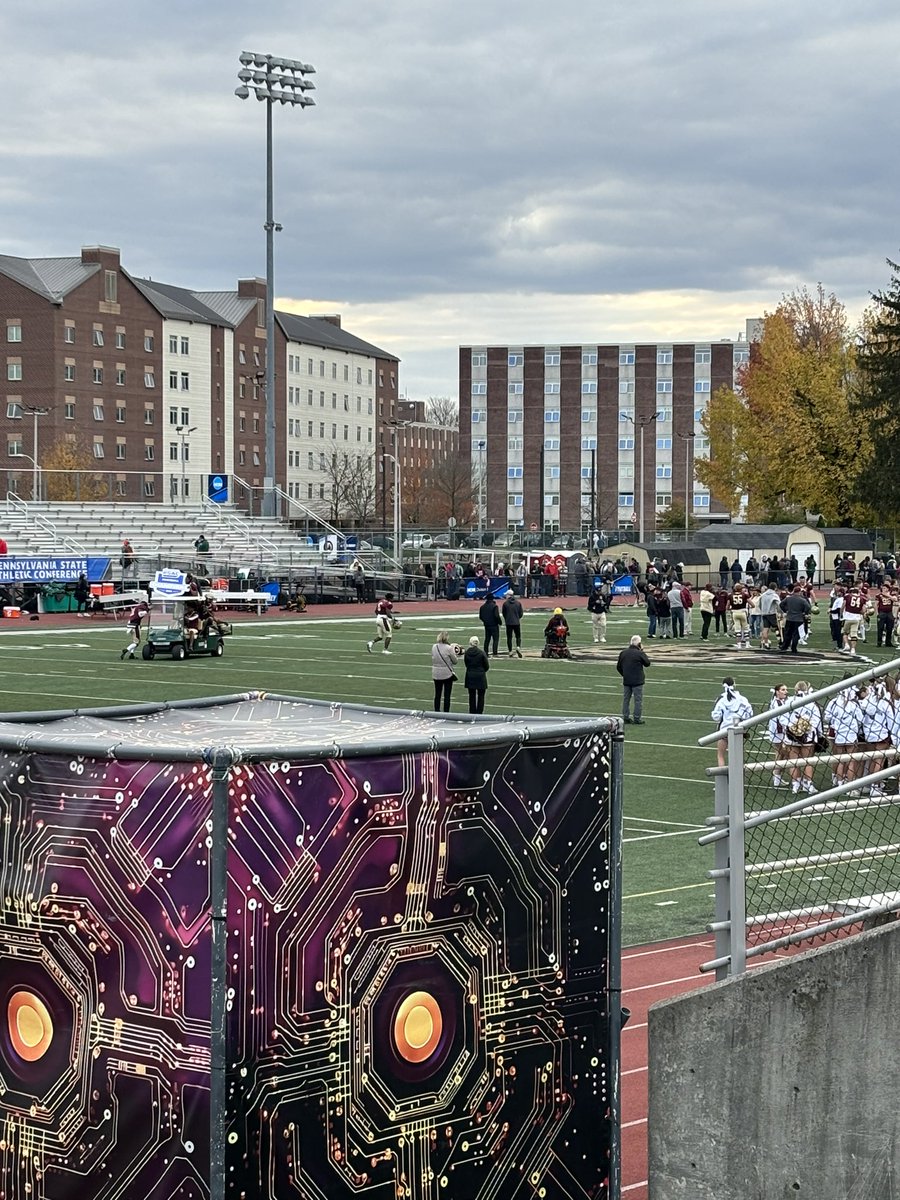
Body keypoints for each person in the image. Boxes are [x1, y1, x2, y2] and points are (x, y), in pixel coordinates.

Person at [711, 677, 754, 767]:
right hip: (738, 729)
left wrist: (725, 717)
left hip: (723, 731)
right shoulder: (742, 698)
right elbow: (749, 713)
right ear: (734, 685)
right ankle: (738, 777)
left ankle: (722, 778)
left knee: (720, 756)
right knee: (738, 756)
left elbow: (716, 716)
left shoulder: (721, 699)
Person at [616, 634, 651, 725]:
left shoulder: (623, 653)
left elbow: (618, 667)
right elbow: (647, 663)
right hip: (637, 681)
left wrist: (625, 675)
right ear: (639, 644)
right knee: (638, 700)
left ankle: (626, 717)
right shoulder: (639, 653)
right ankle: (637, 718)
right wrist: (642, 651)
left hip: (627, 680)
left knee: (626, 699)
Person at [766, 683, 790, 787]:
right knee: (780, 754)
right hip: (777, 732)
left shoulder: (782, 702)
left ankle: (778, 776)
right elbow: (781, 719)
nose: (786, 692)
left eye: (786, 689)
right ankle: (776, 777)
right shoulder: (776, 703)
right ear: (777, 692)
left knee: (784, 754)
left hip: (781, 731)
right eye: (783, 690)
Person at [431, 631, 460, 713]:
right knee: (447, 695)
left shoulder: (434, 647)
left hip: (436, 673)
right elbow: (455, 661)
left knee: (437, 694)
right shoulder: (449, 648)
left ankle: (436, 711)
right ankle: (446, 712)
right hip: (447, 673)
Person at [780, 585, 811, 654]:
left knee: (788, 634)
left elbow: (781, 604)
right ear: (799, 592)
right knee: (796, 634)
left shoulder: (788, 599)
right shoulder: (802, 600)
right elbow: (808, 607)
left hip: (789, 618)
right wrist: (804, 612)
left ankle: (784, 647)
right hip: (798, 619)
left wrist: (785, 610)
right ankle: (793, 648)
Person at [463, 635, 490, 714]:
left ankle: (472, 711)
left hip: (470, 675)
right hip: (480, 676)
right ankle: (479, 712)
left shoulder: (467, 653)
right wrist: (481, 671)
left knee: (471, 695)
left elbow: (466, 664)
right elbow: (487, 666)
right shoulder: (481, 653)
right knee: (481, 695)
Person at [479, 592, 503, 658]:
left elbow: (481, 616)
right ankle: (495, 652)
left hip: (487, 625)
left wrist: (485, 621)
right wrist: (500, 622)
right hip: (494, 625)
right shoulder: (494, 606)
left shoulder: (482, 607)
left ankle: (485, 652)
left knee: (487, 639)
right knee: (495, 639)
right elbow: (496, 616)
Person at [501, 589, 524, 657]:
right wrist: (517, 618)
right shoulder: (518, 603)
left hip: (509, 623)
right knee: (518, 636)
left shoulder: (505, 604)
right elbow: (521, 613)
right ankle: (518, 646)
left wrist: (507, 618)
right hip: (516, 622)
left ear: (509, 595)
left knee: (509, 637)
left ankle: (510, 651)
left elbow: (504, 613)